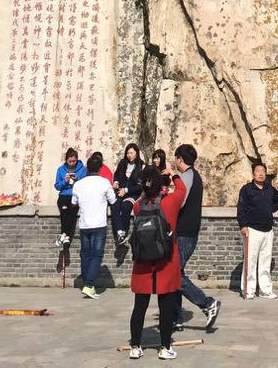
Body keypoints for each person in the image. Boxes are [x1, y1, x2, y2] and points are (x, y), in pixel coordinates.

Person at [127, 162, 187, 360]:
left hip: (143, 263)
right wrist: (173, 174)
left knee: (139, 307)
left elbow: (143, 199)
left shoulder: (138, 206)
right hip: (165, 262)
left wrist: (147, 188)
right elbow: (182, 190)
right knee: (166, 307)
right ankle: (164, 347)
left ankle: (135, 347)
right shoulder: (169, 203)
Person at [172, 144, 220, 330]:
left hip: (185, 232)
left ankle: (207, 303)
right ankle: (175, 317)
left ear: (180, 159)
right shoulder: (193, 176)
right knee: (175, 273)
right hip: (185, 231)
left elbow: (179, 201)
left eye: (176, 159)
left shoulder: (187, 176)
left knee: (175, 274)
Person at [237, 160, 278, 300]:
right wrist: (243, 226)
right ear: (253, 174)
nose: (260, 174)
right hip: (252, 230)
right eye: (258, 171)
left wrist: (271, 209)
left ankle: (265, 290)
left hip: (268, 230)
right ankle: (249, 290)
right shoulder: (246, 189)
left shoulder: (269, 189)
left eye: (263, 171)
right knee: (250, 261)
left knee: (265, 261)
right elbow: (241, 208)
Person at [73, 153, 116, 298]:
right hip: (98, 223)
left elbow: (74, 202)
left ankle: (87, 283)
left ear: (86, 168)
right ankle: (89, 284)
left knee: (85, 254)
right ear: (100, 168)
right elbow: (113, 199)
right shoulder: (104, 183)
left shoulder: (78, 184)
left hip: (84, 223)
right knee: (96, 255)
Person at [113, 143, 146, 245]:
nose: (129, 155)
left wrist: (126, 190)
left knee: (126, 206)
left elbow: (140, 186)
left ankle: (124, 231)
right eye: (128, 153)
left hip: (133, 194)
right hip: (120, 191)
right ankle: (119, 231)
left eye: (132, 153)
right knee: (114, 205)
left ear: (136, 153)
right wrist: (116, 182)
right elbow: (116, 174)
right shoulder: (122, 163)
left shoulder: (142, 166)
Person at [55, 148, 86, 246]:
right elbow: (57, 186)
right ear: (66, 160)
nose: (72, 163)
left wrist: (77, 179)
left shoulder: (82, 169)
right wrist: (65, 181)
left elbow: (85, 184)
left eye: (74, 161)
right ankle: (66, 236)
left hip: (75, 195)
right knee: (64, 211)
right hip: (64, 195)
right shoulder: (61, 170)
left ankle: (63, 234)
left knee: (72, 212)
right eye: (70, 161)